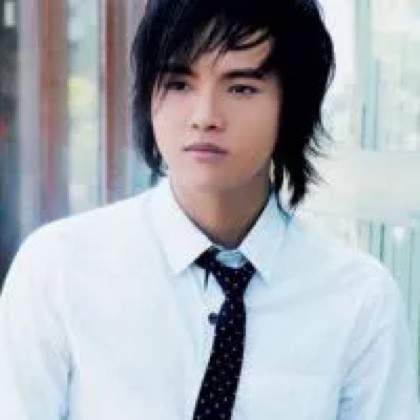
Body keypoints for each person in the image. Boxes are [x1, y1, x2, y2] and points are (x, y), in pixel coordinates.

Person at [0, 0, 419, 418]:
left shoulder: (358, 299)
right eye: (179, 84)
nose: (205, 117)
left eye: (241, 88)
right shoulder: (60, 269)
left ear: (291, 106)